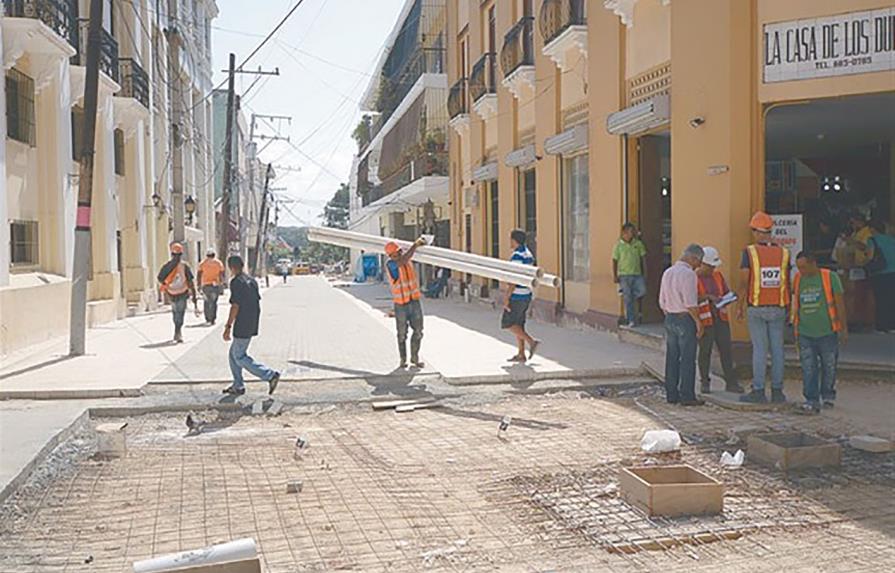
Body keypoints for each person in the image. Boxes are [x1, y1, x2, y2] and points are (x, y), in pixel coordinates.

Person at [736, 211, 790, 404]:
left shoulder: (749, 252)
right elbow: (787, 281)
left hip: (756, 307)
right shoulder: (784, 252)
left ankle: (758, 390)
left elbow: (744, 282)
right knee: (777, 350)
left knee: (760, 349)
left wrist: (740, 306)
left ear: (756, 232)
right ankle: (777, 392)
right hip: (778, 307)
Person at [792, 251, 848, 414]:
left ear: (813, 263)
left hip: (827, 331)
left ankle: (828, 395)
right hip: (805, 331)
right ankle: (811, 399)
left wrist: (843, 328)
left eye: (803, 267)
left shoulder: (830, 278)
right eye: (798, 267)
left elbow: (840, 305)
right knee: (808, 367)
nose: (800, 271)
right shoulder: (797, 279)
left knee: (829, 366)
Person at [222, 255, 280, 396]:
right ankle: (238, 385)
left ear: (231, 267)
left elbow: (235, 306)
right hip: (252, 320)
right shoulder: (252, 281)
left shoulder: (236, 282)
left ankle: (269, 375)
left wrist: (228, 326)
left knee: (239, 356)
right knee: (233, 355)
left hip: (242, 322)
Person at [659, 244, 705, 406]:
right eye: (699, 262)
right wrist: (698, 322)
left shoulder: (668, 272)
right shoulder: (688, 275)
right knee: (687, 358)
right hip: (685, 318)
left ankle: (671, 394)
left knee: (672, 357)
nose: (699, 266)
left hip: (670, 317)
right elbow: (690, 303)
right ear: (693, 258)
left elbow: (662, 301)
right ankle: (687, 395)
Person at [696, 247, 743, 394]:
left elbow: (725, 292)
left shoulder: (718, 276)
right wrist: (708, 297)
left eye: (713, 266)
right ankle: (705, 382)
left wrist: (729, 297)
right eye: (710, 266)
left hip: (720, 318)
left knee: (726, 351)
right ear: (702, 264)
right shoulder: (693, 278)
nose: (712, 269)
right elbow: (691, 299)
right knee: (705, 352)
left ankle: (731, 382)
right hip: (705, 321)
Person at [385, 238, 427, 369]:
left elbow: (406, 259)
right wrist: (415, 245)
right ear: (390, 256)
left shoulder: (407, 260)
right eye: (394, 254)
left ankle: (415, 357)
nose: (397, 255)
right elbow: (402, 261)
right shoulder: (391, 264)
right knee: (402, 333)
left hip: (414, 301)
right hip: (401, 305)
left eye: (398, 252)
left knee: (419, 331)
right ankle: (403, 360)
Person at [502, 229, 540, 363]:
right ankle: (521, 354)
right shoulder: (528, 254)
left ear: (514, 240)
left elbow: (514, 279)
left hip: (517, 295)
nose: (509, 242)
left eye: (510, 239)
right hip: (526, 294)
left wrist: (506, 297)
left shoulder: (517, 255)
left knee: (508, 323)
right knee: (519, 324)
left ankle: (532, 341)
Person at [157, 242, 197, 343]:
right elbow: (190, 281)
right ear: (181, 254)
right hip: (182, 292)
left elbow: (160, 278)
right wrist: (194, 295)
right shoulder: (184, 266)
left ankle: (177, 330)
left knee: (175, 312)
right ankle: (178, 331)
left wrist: (167, 285)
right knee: (180, 312)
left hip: (172, 293)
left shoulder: (167, 266)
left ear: (172, 254)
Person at [843, 212, 875, 330]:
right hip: (856, 265)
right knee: (856, 293)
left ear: (859, 221)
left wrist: (852, 241)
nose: (852, 225)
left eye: (853, 222)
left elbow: (865, 247)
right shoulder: (856, 233)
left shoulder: (867, 232)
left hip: (864, 266)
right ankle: (856, 318)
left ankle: (863, 319)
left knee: (862, 293)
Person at [612, 223, 648, 327]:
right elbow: (614, 260)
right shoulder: (618, 246)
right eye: (629, 232)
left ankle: (631, 296)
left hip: (637, 274)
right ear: (624, 233)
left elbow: (643, 258)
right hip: (624, 275)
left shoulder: (638, 244)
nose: (631, 234)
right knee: (627, 299)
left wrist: (645, 272)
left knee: (642, 291)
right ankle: (631, 319)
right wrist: (615, 275)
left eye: (632, 232)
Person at [866, 220, 895, 333]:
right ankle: (892, 325)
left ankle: (881, 326)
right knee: (892, 299)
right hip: (893, 272)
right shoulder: (892, 239)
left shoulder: (872, 240)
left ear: (873, 229)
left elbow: (870, 256)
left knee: (880, 299)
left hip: (880, 273)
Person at [197, 248, 225, 324]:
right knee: (214, 302)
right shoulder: (218, 263)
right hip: (215, 285)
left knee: (206, 302)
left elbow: (199, 274)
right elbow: (221, 274)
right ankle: (213, 318)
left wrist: (198, 285)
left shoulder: (202, 263)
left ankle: (207, 318)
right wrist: (222, 283)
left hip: (205, 285)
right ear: (214, 255)